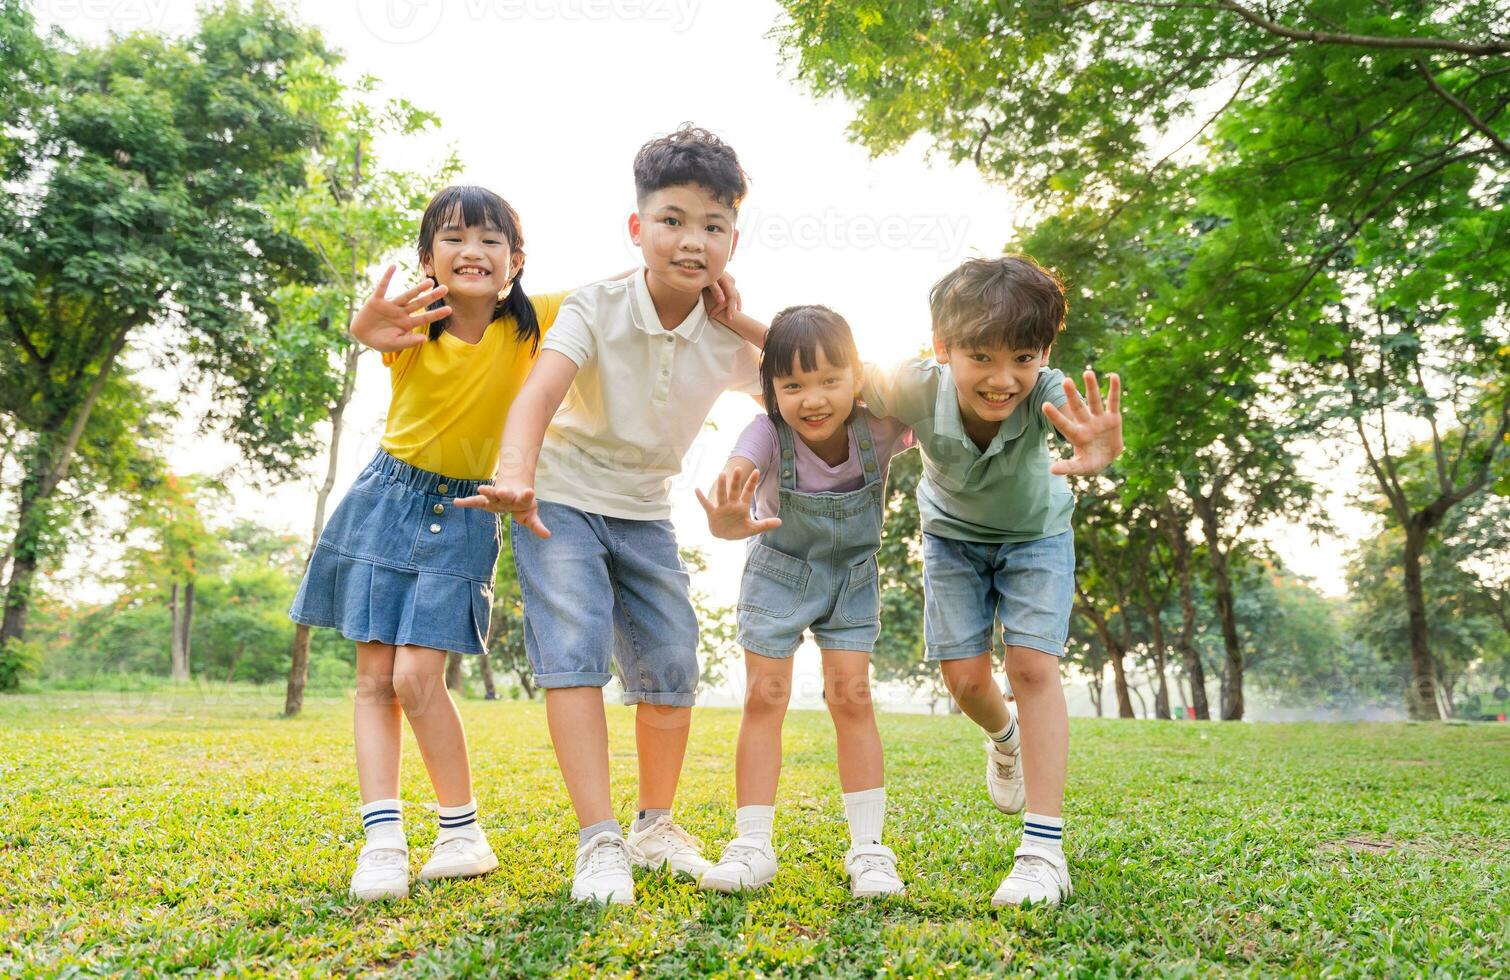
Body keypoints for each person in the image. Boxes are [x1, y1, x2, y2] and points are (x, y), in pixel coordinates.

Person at [456, 126, 766, 905]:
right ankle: (598, 841)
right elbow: (539, 394)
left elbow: (818, 386)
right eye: (672, 220)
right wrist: (516, 476)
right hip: (558, 498)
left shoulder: (727, 338)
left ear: (733, 237)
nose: (691, 241)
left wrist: (752, 324)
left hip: (645, 513)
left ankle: (654, 826)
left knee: (671, 662)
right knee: (574, 656)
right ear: (638, 228)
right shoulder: (596, 305)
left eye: (712, 226)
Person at [860, 255, 1124, 907]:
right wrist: (742, 322)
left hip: (1037, 536)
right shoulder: (913, 385)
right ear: (941, 347)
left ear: (1044, 353)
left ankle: (1042, 852)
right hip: (952, 539)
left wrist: (1100, 453)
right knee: (967, 682)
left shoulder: (1049, 389)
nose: (1003, 380)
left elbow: (1086, 433)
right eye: (980, 356)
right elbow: (816, 367)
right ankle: (1003, 740)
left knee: (1033, 668)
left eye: (1023, 358)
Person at [694, 305, 913, 899]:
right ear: (770, 390)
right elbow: (734, 482)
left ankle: (869, 850)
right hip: (779, 575)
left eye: (829, 381)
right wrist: (726, 517)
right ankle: (752, 844)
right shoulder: (766, 431)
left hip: (852, 579)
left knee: (852, 699)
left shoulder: (882, 424)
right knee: (765, 700)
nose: (812, 399)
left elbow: (940, 393)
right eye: (792, 386)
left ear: (857, 378)